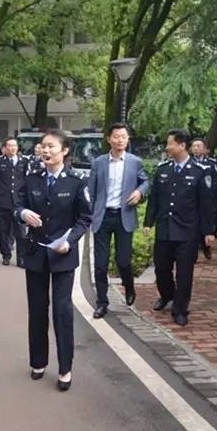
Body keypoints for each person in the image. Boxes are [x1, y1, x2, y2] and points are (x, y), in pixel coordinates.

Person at [14, 129, 91, 391]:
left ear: (65, 151)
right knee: (37, 310)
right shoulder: (32, 178)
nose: (45, 151)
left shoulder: (76, 181)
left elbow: (85, 218)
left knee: (62, 311)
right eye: (43, 146)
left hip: (63, 255)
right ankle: (38, 362)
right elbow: (17, 205)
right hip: (36, 253)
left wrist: (70, 241)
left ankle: (65, 368)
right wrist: (23, 213)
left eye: (51, 147)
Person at [143, 130, 216, 326]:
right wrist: (148, 222)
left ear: (182, 145)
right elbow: (154, 199)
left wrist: (209, 231)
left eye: (170, 144)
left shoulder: (199, 171)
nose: (167, 147)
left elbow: (206, 204)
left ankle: (180, 309)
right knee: (161, 269)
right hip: (165, 228)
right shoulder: (163, 169)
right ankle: (167, 295)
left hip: (187, 231)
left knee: (184, 273)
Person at [89, 123, 149, 319]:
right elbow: (91, 190)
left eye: (123, 136)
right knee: (100, 264)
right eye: (116, 136)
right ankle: (102, 303)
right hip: (103, 216)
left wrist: (139, 192)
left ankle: (129, 287)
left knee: (123, 261)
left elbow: (145, 182)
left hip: (125, 216)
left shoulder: (135, 162)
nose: (120, 140)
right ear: (109, 139)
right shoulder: (99, 162)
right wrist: (89, 215)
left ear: (128, 139)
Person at [0, 137, 29, 266]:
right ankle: (6, 255)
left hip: (19, 202)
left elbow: (26, 180)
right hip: (3, 202)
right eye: (10, 146)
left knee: (21, 232)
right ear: (4, 148)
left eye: (14, 146)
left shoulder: (24, 162)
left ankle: (21, 258)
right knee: (3, 231)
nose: (12, 148)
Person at [191, 137, 217, 259]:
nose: (196, 148)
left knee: (205, 224)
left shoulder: (211, 164)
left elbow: (215, 183)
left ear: (205, 148)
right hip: (192, 201)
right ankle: (193, 253)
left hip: (207, 200)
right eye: (194, 146)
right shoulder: (188, 163)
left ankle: (206, 247)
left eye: (198, 146)